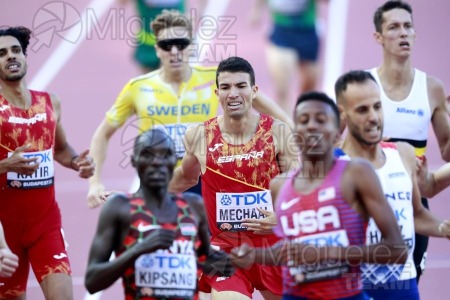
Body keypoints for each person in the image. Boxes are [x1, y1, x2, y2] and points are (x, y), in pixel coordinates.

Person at [88, 9, 293, 208]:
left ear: (192, 46)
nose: (175, 51)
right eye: (167, 45)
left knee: (210, 242)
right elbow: (102, 135)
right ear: (157, 49)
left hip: (202, 180)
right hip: (157, 182)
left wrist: (294, 135)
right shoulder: (138, 87)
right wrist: (94, 183)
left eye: (181, 44)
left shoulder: (215, 78)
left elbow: (263, 104)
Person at [230, 91, 407, 300]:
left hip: (346, 295)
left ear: (335, 133)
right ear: (295, 134)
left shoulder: (356, 173)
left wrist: (328, 253)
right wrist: (255, 256)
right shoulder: (279, 185)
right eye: (304, 120)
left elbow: (397, 250)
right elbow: (291, 251)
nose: (312, 125)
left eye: (321, 120)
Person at [168, 55, 299, 299]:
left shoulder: (278, 132)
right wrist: (137, 199)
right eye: (226, 87)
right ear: (217, 93)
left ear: (254, 90)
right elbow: (184, 179)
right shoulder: (199, 135)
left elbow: (297, 189)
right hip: (227, 249)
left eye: (241, 86)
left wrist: (280, 216)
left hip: (273, 248)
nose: (233, 94)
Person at [335, 70, 450, 299]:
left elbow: (416, 214)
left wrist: (443, 228)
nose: (374, 117)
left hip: (402, 283)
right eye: (362, 110)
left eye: (377, 107)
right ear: (343, 114)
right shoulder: (333, 166)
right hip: (353, 284)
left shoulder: (404, 154)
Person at [0, 26, 95, 299]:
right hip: (4, 232)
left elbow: (62, 150)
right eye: (2, 53)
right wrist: (7, 165)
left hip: (45, 225)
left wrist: (78, 162)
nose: (11, 57)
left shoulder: (49, 102)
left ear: (25, 56)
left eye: (16, 50)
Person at [85, 128, 233, 299]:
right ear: (134, 161)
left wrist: (235, 259)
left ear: (174, 161)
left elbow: (207, 260)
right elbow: (92, 281)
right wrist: (138, 250)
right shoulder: (120, 208)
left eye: (165, 154)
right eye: (148, 155)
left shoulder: (193, 206)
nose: (157, 161)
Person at [368, 0, 450, 282]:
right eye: (394, 27)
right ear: (378, 36)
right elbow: (335, 148)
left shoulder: (432, 88)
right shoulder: (363, 86)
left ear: (415, 34)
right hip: (368, 201)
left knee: (408, 285)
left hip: (414, 204)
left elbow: (447, 150)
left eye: (408, 27)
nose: (403, 33)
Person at [248, 0, 325, 113]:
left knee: (310, 84)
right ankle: (287, 127)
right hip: (281, 31)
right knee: (282, 89)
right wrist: (256, 10)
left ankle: (301, 111)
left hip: (307, 31)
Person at [117, 0, 205, 73]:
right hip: (149, 46)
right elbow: (122, 2)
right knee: (150, 87)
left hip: (174, 45)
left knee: (171, 86)